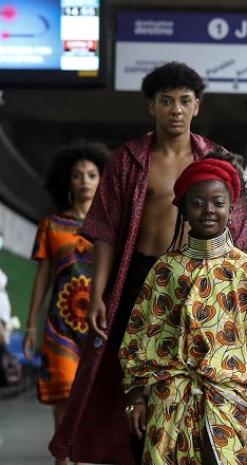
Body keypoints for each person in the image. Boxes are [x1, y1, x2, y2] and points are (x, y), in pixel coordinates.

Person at [50, 62, 247, 465]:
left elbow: (242, 231)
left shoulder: (217, 159)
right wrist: (99, 293)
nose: (176, 110)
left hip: (201, 284)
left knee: (200, 376)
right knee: (136, 378)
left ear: (197, 106)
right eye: (166, 101)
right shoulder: (127, 160)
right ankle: (140, 453)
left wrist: (240, 294)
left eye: (185, 101)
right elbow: (106, 231)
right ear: (151, 106)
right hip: (137, 280)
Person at [119, 152, 247, 465]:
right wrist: (135, 395)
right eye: (197, 202)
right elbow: (139, 331)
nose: (209, 210)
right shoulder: (165, 269)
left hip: (225, 400)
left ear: (232, 207)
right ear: (182, 207)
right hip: (168, 399)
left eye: (218, 202)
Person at [22, 141, 109, 465]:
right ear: (67, 181)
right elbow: (43, 278)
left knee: (90, 398)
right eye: (77, 175)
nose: (85, 180)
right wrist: (31, 325)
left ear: (102, 181)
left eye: (91, 174)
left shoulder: (109, 229)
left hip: (99, 324)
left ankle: (82, 456)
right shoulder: (51, 226)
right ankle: (62, 460)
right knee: (63, 394)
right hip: (59, 326)